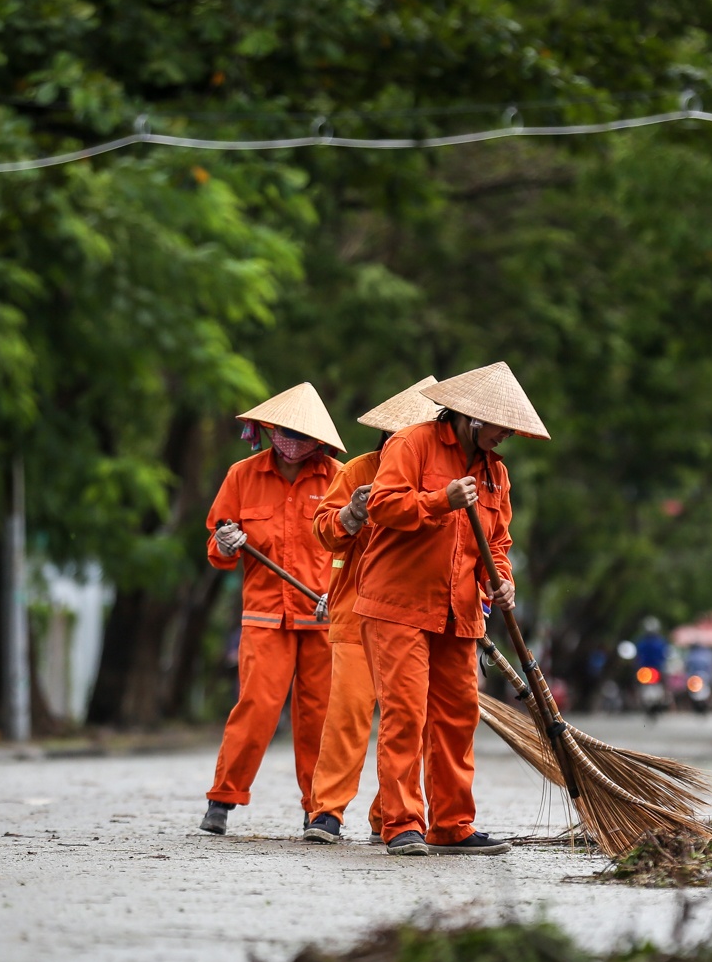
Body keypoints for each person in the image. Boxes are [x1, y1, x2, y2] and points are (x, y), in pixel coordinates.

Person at [356, 360, 548, 855]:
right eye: (502, 425)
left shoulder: (495, 474)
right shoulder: (411, 443)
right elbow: (381, 506)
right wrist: (439, 499)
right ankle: (402, 824)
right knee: (405, 714)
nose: (506, 435)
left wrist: (501, 581)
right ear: (473, 417)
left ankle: (452, 825)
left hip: (458, 612)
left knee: (458, 717)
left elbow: (497, 542)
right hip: (397, 604)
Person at [199, 382, 344, 836]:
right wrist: (225, 542)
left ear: (318, 440)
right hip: (265, 618)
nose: (290, 440)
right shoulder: (241, 476)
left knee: (319, 717)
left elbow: (357, 546)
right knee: (256, 707)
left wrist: (338, 592)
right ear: (268, 428)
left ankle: (319, 811)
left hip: (323, 618)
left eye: (300, 434)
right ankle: (222, 800)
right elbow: (218, 546)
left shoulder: (340, 477)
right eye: (283, 431)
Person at [303, 376, 439, 843]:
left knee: (409, 719)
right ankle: (326, 812)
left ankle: (391, 817)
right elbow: (323, 532)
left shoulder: (441, 477)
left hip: (414, 617)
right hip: (355, 613)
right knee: (348, 715)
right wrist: (352, 515)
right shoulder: (358, 472)